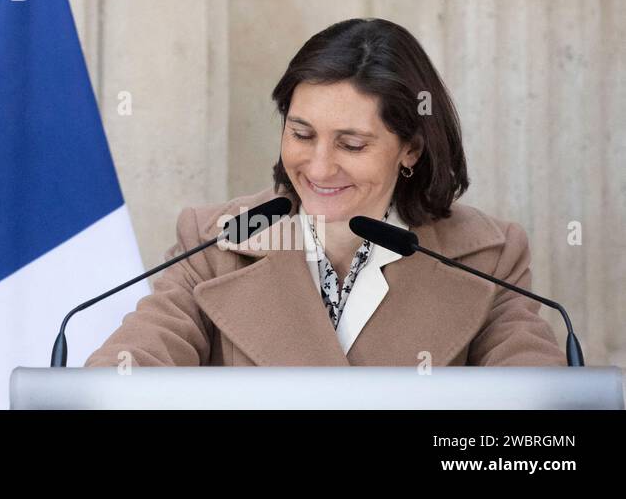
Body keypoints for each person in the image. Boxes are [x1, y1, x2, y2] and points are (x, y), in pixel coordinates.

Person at [86, 18, 566, 368]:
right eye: (301, 134)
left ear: (411, 149)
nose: (318, 166)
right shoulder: (216, 240)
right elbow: (134, 363)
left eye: (351, 144)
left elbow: (539, 403)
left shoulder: (487, 257)